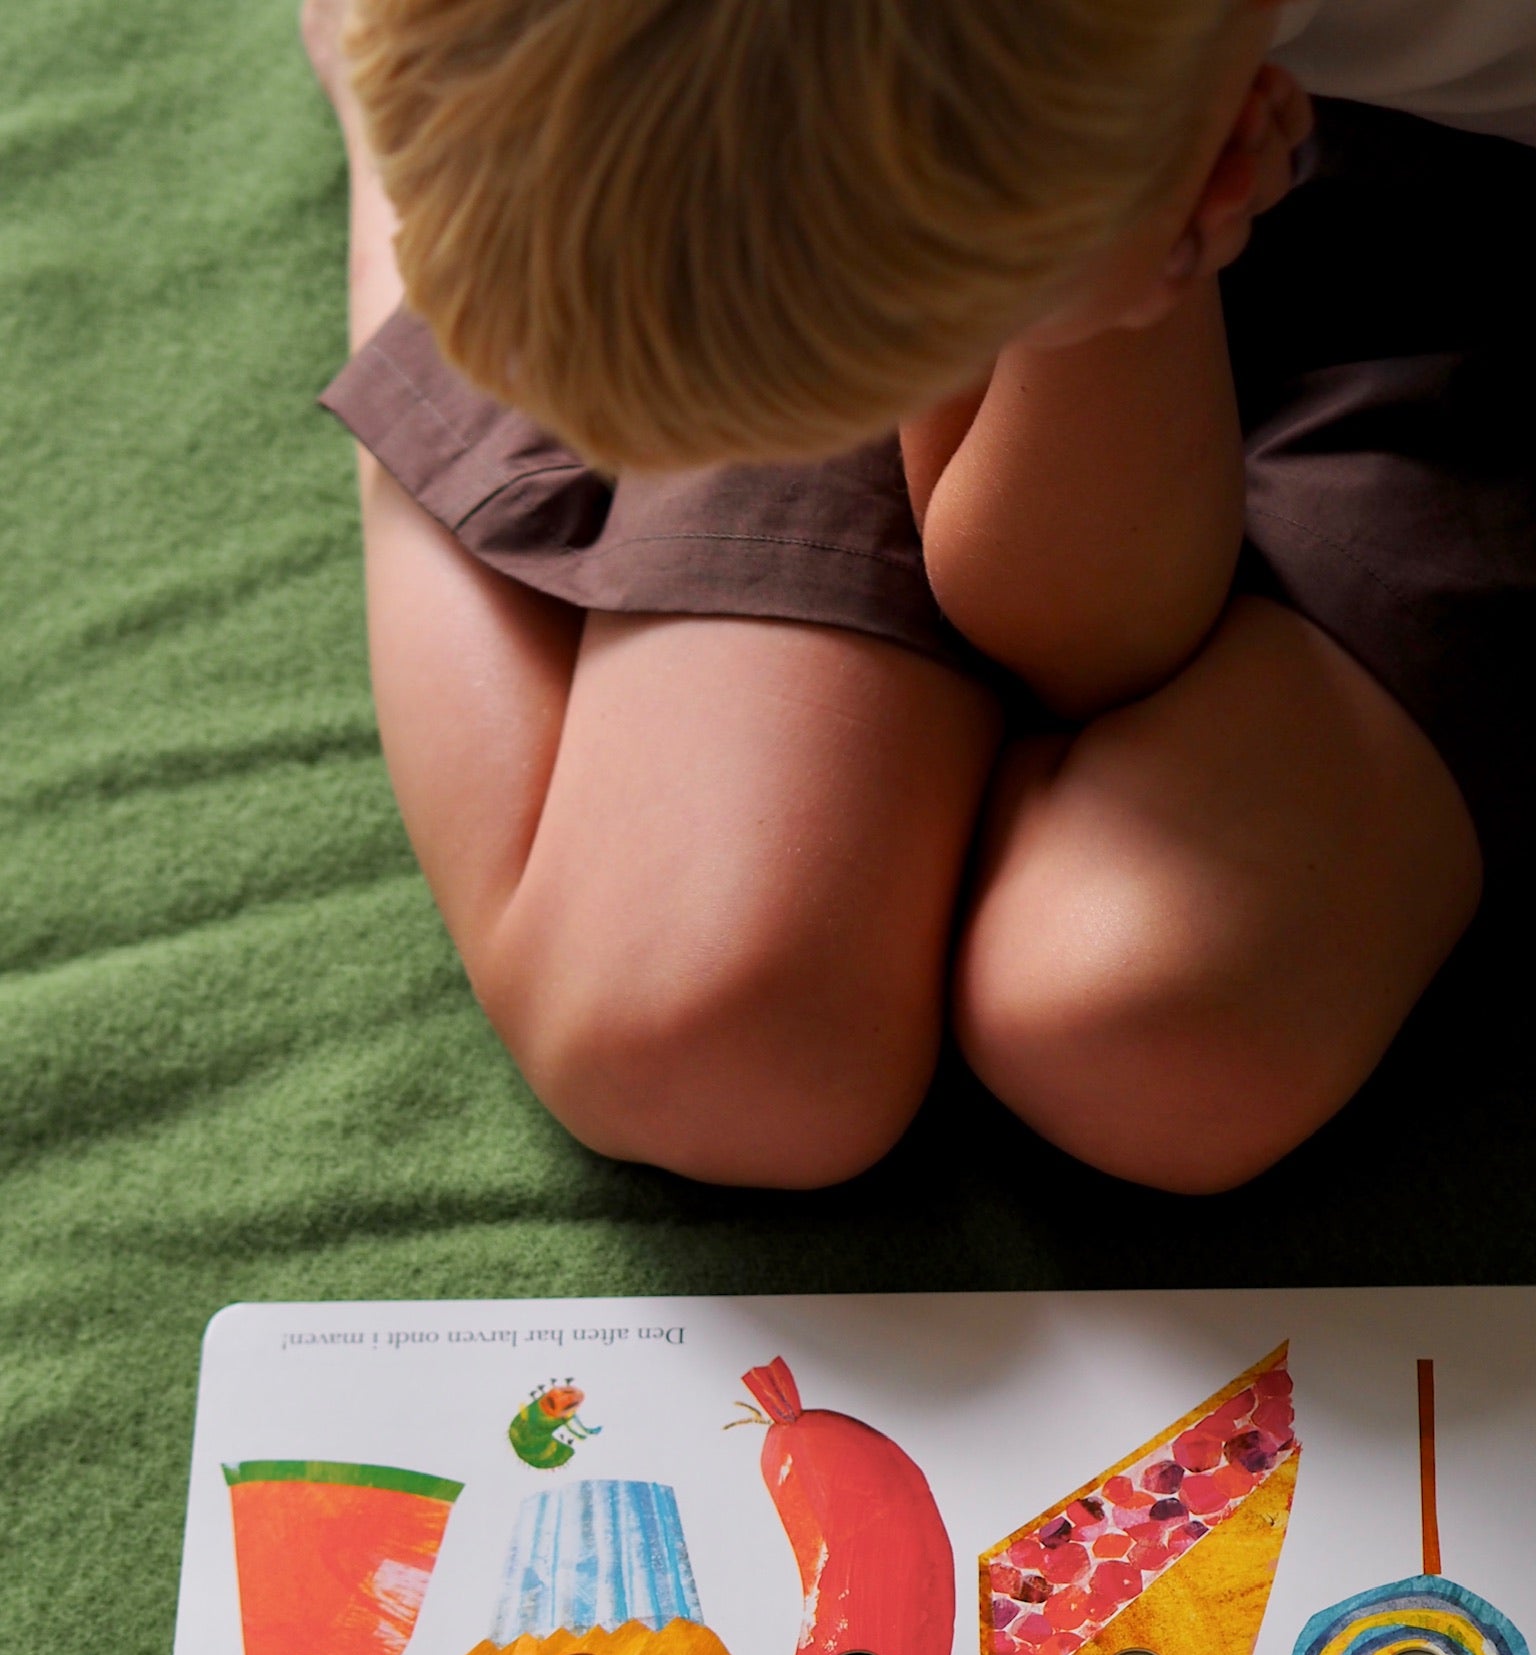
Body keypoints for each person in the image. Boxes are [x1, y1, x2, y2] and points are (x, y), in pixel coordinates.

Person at [304, 0, 1535, 1193]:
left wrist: (1110, 269)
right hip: (885, 118)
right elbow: (1073, 612)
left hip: (1466, 225)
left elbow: (1093, 635)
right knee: (698, 1042)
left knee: (1155, 1038)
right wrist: (1087, 291)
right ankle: (400, 204)